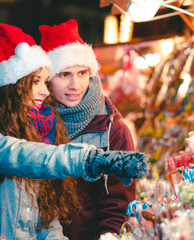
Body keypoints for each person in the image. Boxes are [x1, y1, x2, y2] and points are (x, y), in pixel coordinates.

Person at [0, 23, 148, 239]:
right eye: (37, 81)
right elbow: (18, 155)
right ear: (13, 84)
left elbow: (41, 217)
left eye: (82, 73)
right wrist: (88, 159)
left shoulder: (37, 124)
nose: (44, 90)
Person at [39, 18, 137, 239]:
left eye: (82, 73)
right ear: (46, 80)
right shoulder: (30, 123)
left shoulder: (113, 130)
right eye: (64, 74)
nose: (76, 86)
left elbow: (117, 207)